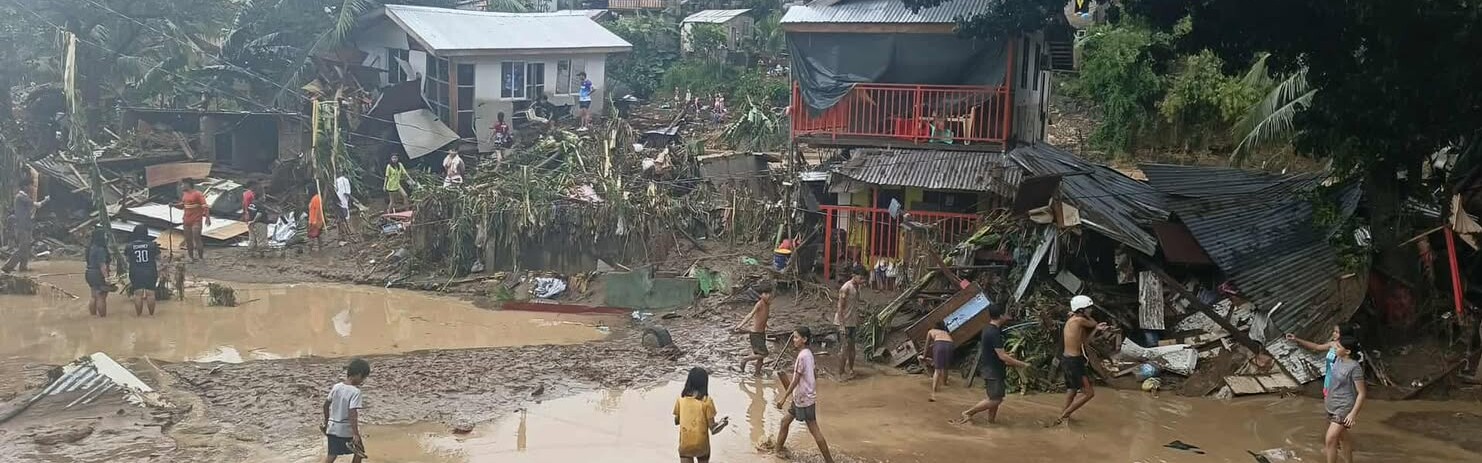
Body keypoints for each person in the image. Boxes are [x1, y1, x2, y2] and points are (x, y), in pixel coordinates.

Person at [954, 305, 1030, 424]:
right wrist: (1022, 364)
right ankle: (968, 413)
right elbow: (1002, 356)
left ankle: (991, 422)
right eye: (1005, 314)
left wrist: (1006, 355)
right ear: (1000, 316)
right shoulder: (993, 332)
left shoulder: (988, 329)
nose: (1007, 316)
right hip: (992, 370)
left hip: (991, 368)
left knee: (994, 398)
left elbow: (997, 352)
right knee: (996, 400)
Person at [773, 326, 834, 463]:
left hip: (803, 399)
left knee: (814, 430)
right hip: (803, 397)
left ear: (804, 339)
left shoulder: (802, 357)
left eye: (796, 337)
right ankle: (777, 451)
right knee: (785, 422)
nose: (794, 340)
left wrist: (783, 398)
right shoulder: (809, 354)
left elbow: (795, 380)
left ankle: (829, 461)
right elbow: (814, 373)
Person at [1051, 295, 1110, 426]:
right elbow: (1093, 322)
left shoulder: (1074, 321)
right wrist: (1095, 326)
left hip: (1068, 360)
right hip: (1073, 362)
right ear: (1081, 310)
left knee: (1072, 391)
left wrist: (1095, 330)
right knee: (1089, 393)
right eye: (1088, 308)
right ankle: (1063, 416)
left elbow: (1085, 342)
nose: (1091, 311)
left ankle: (1063, 417)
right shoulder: (1078, 320)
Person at [1324, 335, 1367, 463]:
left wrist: (1352, 414)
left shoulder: (1354, 368)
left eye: (1338, 347)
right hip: (1331, 403)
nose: (1334, 348)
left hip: (1344, 407)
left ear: (1347, 351)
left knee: (1330, 439)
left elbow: (1362, 393)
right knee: (1343, 437)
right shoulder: (1338, 358)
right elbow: (1329, 345)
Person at [1287, 324, 1359, 398]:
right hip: (1329, 379)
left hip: (1340, 381)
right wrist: (1296, 339)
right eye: (1334, 331)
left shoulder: (1345, 351)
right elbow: (1317, 347)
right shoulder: (1332, 344)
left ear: (1344, 334)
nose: (1333, 333)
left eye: (1337, 332)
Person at [322, 358, 371, 463]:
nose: (362, 381)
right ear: (358, 374)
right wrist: (355, 433)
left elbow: (325, 405)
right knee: (359, 451)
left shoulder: (336, 387)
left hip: (332, 428)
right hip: (345, 430)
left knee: (331, 455)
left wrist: (326, 422)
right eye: (363, 378)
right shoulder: (355, 392)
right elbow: (352, 413)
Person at [673, 367, 726, 463]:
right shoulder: (707, 400)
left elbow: (676, 421)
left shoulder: (680, 399)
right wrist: (723, 423)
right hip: (702, 445)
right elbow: (713, 429)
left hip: (685, 444)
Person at [2, 185, 48, 272]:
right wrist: (45, 200)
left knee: (26, 247)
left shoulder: (22, 197)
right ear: (25, 187)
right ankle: (8, 266)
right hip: (22, 226)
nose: (32, 188)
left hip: (25, 225)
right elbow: (37, 205)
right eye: (30, 186)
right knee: (23, 248)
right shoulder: (22, 197)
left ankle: (23, 267)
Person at [734, 285, 774, 376]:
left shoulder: (768, 304)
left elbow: (763, 317)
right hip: (755, 334)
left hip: (761, 333)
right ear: (761, 295)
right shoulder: (760, 304)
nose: (768, 295)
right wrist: (740, 325)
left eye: (769, 293)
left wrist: (766, 325)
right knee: (764, 354)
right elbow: (750, 315)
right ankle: (745, 359)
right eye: (766, 294)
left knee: (760, 357)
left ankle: (757, 374)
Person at [835, 271, 866, 379]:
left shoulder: (857, 288)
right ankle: (841, 373)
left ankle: (851, 369)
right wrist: (842, 325)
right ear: (854, 275)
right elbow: (840, 308)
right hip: (844, 322)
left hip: (852, 322)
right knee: (844, 349)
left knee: (852, 348)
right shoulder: (846, 288)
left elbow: (855, 305)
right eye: (861, 278)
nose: (862, 281)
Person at [124, 225, 160, 316]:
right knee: (151, 294)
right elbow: (158, 258)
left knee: (137, 294)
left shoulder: (129, 246)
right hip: (150, 271)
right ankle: (151, 315)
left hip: (135, 272)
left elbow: (127, 259)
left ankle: (139, 315)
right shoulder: (152, 245)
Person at [921, 321, 954, 402]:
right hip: (950, 344)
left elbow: (927, 346)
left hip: (939, 344)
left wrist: (924, 356)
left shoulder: (931, 331)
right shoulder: (945, 332)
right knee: (945, 367)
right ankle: (945, 383)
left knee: (937, 369)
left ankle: (934, 390)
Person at [178, 180, 210, 262]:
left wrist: (207, 218)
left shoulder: (198, 194)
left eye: (182, 185)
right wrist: (174, 205)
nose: (181, 186)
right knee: (188, 240)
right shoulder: (184, 195)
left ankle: (200, 257)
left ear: (188, 184)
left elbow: (205, 206)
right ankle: (191, 257)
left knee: (197, 238)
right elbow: (182, 205)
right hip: (186, 220)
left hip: (196, 220)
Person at [84, 229, 111, 317]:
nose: (106, 237)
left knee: (93, 296)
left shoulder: (90, 248)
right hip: (98, 273)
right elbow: (102, 265)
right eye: (105, 235)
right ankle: (103, 319)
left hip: (89, 272)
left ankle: (93, 317)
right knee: (101, 296)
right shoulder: (100, 249)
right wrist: (107, 278)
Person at [307, 186, 325, 251]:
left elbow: (316, 210)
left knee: (312, 236)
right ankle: (321, 248)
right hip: (317, 220)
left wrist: (313, 222)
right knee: (318, 235)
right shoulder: (316, 198)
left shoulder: (316, 198)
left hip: (315, 221)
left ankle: (310, 250)